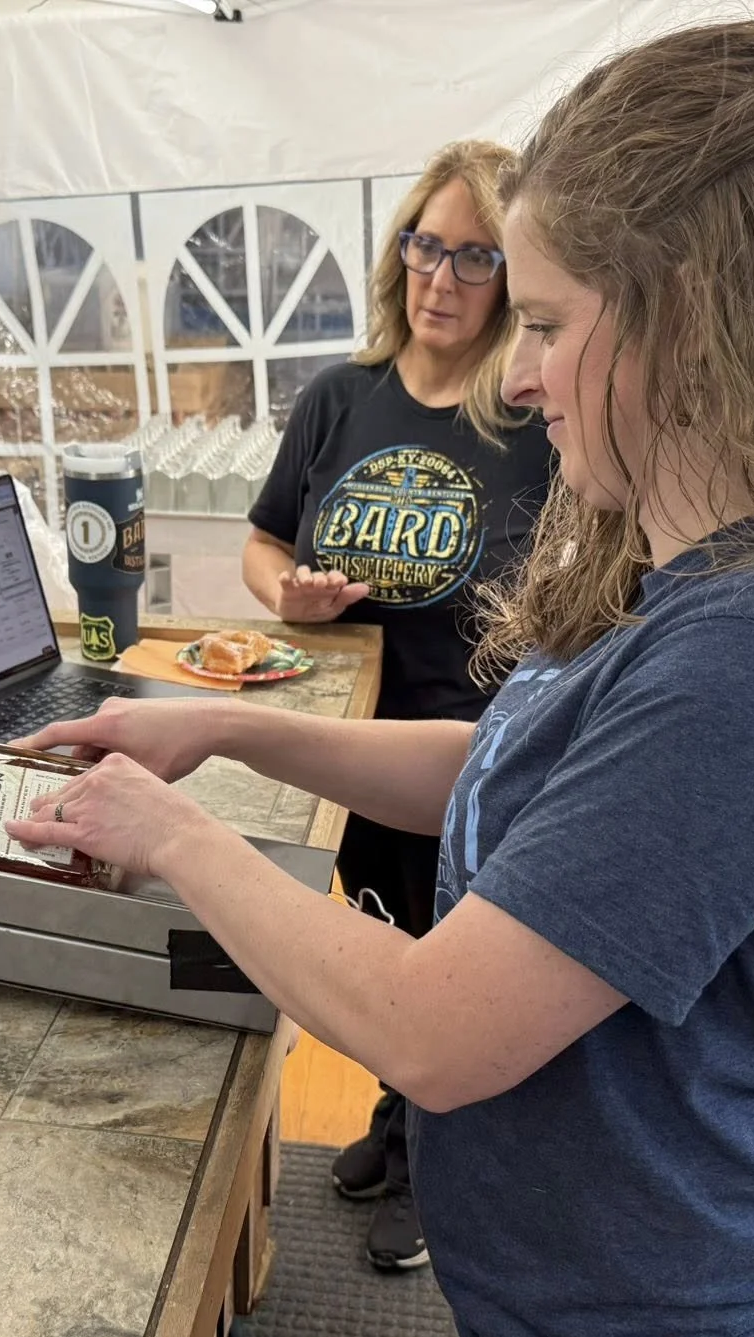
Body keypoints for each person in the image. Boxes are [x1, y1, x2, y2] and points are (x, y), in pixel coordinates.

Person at [6, 22, 754, 1337]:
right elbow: (521, 777)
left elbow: (434, 1033)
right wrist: (228, 731)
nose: (519, 374)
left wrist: (177, 837)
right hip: (610, 1322)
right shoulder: (721, 580)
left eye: (553, 325)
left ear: (699, 324)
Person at [240, 140, 552, 1271]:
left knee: (454, 986)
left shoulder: (530, 416)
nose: (441, 280)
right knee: (380, 943)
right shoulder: (340, 397)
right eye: (425, 246)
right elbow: (264, 539)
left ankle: (446, 1177)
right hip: (356, 745)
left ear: (514, 275)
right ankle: (400, 1122)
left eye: (475, 258)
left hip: (477, 753)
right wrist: (291, 593)